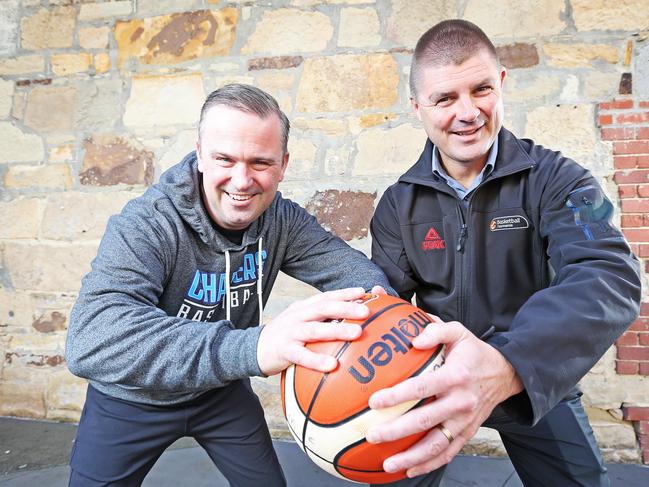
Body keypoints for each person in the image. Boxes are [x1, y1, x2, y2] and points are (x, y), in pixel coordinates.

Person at [65, 84, 391, 486]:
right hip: (131, 398)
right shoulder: (147, 224)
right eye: (224, 159)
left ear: (283, 164)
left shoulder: (281, 222)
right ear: (200, 154)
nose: (242, 180)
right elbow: (90, 340)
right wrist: (254, 347)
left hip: (218, 392)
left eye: (260, 162)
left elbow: (361, 278)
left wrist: (381, 325)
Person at [367, 19, 641, 487]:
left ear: (503, 84)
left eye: (481, 89)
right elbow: (386, 305)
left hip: (530, 377)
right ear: (417, 107)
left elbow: (610, 275)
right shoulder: (397, 204)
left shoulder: (561, 179)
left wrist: (508, 364)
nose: (468, 112)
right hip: (438, 385)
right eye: (445, 98)